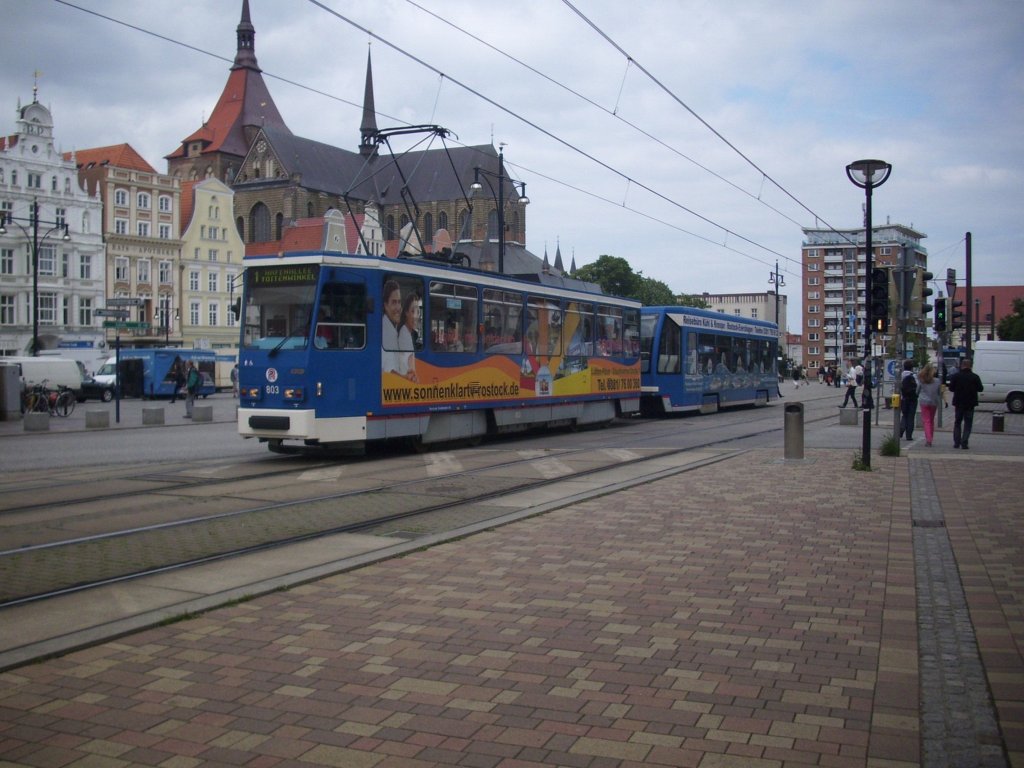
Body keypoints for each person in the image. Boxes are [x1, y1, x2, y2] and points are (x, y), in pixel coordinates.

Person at [948, 357, 984, 449]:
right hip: (970, 403)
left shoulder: (956, 376)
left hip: (959, 403)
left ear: (962, 365)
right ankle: (964, 442)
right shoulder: (975, 377)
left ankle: (956, 442)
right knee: (968, 423)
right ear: (971, 366)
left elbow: (951, 388)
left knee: (957, 422)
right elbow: (980, 388)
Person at [917, 363, 942, 446]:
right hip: (933, 402)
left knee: (926, 421)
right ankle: (930, 437)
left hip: (924, 402)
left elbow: (917, 390)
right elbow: (939, 392)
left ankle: (928, 439)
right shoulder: (937, 381)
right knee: (931, 420)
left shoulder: (921, 380)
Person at [397, 292, 420, 381]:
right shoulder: (404, 334)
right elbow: (410, 367)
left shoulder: (407, 332)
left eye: (418, 312)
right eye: (413, 311)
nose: (416, 316)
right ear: (406, 312)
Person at [381, 280, 402, 374]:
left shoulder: (392, 329)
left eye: (399, 302)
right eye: (394, 302)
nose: (398, 308)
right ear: (386, 306)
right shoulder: (386, 331)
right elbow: (391, 371)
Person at [898, 360, 919, 441]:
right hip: (913, 399)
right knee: (911, 416)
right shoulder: (914, 375)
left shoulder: (900, 375)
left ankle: (901, 428)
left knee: (904, 414)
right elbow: (918, 386)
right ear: (912, 367)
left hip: (904, 398)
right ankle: (909, 435)